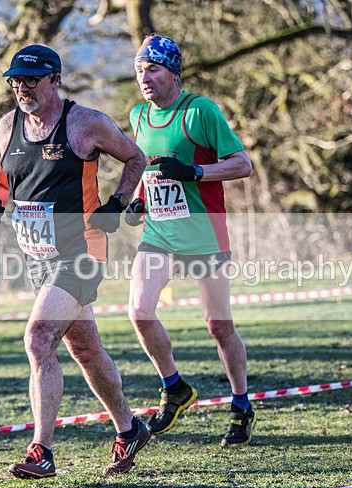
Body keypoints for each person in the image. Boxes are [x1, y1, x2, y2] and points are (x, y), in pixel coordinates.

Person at [0, 44, 149, 478]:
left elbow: (136, 157)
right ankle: (130, 428)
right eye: (16, 81)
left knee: (38, 339)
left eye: (32, 81)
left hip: (83, 252)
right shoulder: (6, 127)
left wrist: (117, 202)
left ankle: (42, 450)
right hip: (38, 258)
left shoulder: (84, 124)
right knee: (86, 349)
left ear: (55, 80)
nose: (22, 89)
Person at [125, 35, 255, 446]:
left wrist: (196, 173)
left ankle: (240, 404)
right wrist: (139, 202)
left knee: (219, 326)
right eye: (139, 70)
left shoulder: (200, 112)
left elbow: (242, 165)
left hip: (204, 236)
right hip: (159, 235)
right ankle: (175, 386)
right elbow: (150, 170)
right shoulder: (138, 117)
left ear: (174, 73)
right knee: (140, 313)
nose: (145, 78)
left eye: (154, 69)